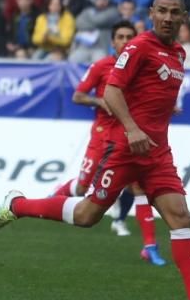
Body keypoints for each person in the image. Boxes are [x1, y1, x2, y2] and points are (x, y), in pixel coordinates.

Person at [0, 0, 190, 300]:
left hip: (158, 152)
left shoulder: (178, 53)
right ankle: (15, 205)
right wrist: (132, 128)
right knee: (87, 215)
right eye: (161, 11)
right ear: (151, 14)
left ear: (184, 18)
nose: (167, 17)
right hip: (126, 149)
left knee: (181, 217)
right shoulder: (139, 47)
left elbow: (150, 96)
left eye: (174, 12)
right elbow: (111, 91)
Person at [53, 21, 166, 262]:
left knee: (139, 187)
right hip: (103, 134)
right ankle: (56, 198)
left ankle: (150, 246)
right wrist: (101, 102)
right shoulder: (101, 66)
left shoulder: (144, 65)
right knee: (83, 187)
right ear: (113, 41)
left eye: (129, 37)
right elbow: (78, 95)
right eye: (120, 37)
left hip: (129, 135)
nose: (125, 41)